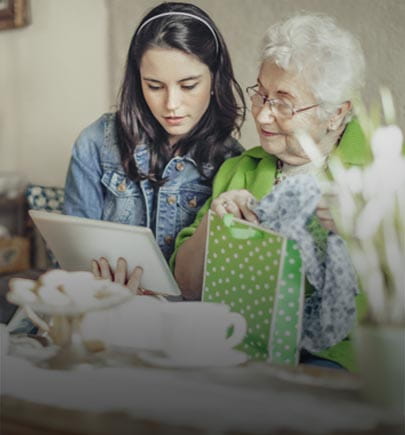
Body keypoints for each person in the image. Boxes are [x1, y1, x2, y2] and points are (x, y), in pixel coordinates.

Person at [172, 13, 369, 371]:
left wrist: (363, 230)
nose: (261, 116)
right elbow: (187, 286)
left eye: (283, 103)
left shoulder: (384, 170)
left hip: (340, 359)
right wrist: (215, 223)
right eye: (261, 95)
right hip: (238, 345)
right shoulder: (241, 170)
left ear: (336, 114)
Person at [63, 2, 245, 287]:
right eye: (155, 86)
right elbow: (72, 257)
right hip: (103, 311)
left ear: (214, 79)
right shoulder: (96, 142)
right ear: (138, 82)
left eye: (188, 86)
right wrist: (97, 282)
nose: (171, 105)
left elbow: (221, 284)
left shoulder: (234, 163)